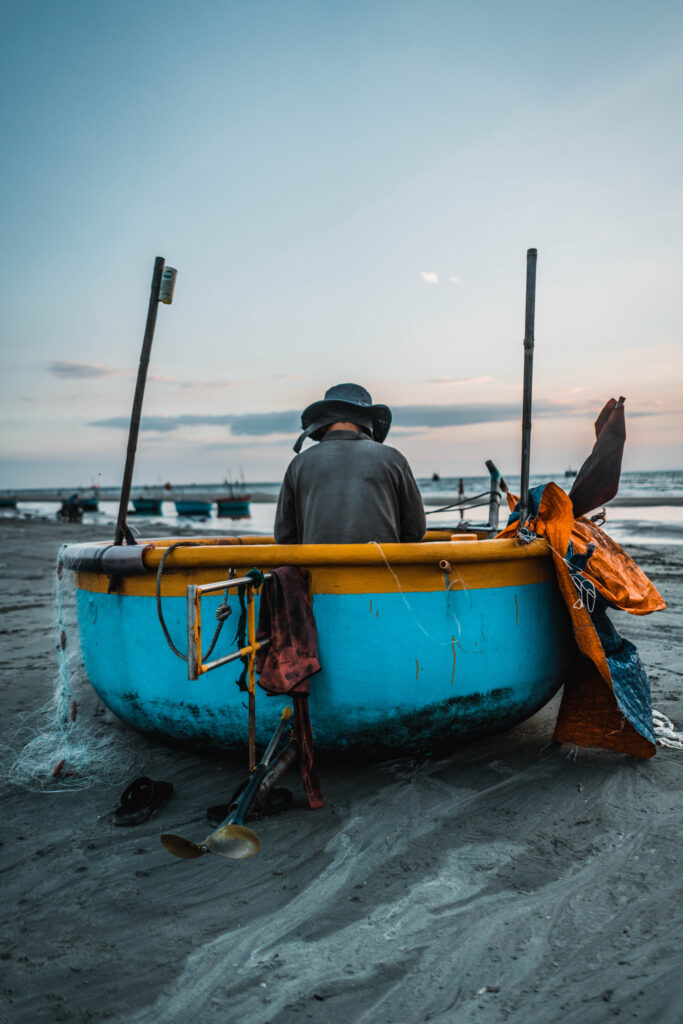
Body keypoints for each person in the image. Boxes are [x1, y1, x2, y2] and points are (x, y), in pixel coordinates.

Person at [274, 383, 426, 544]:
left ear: (323, 421)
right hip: (381, 567)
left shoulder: (299, 464)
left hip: (317, 568)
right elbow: (415, 529)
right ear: (367, 420)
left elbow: (284, 536)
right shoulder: (392, 458)